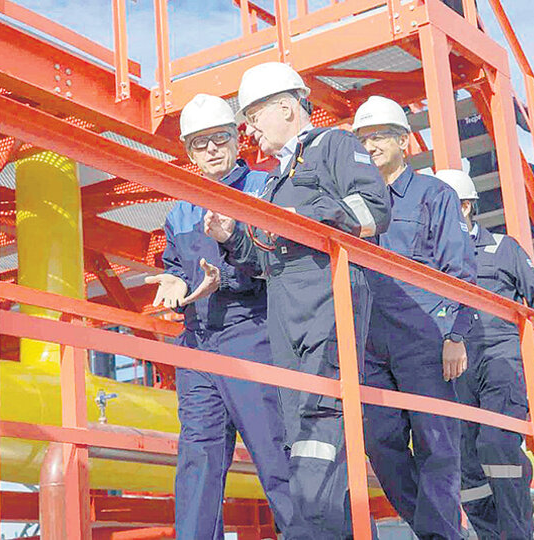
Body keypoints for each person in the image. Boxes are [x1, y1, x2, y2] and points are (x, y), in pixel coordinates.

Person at [204, 62, 391, 538]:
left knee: (322, 421)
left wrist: (297, 216)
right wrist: (231, 239)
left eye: (253, 117)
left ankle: (319, 531)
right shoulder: (273, 181)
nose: (249, 130)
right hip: (286, 310)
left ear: (287, 107)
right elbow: (263, 259)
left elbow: (372, 211)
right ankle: (315, 528)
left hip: (329, 299)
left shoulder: (335, 146)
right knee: (298, 429)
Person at [146, 94, 296, 539]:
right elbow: (175, 266)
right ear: (189, 152)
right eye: (200, 144)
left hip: (251, 330)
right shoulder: (180, 212)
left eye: (219, 139)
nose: (211, 150)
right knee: (198, 462)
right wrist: (173, 284)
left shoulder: (264, 189)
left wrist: (226, 270)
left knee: (275, 454)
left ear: (237, 140)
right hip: (196, 343)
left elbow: (279, 262)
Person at [440, 170, 534, 539]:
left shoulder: (502, 248)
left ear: (465, 207)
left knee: (497, 445)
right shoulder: (435, 256)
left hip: (499, 361)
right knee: (465, 464)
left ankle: (516, 533)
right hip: (453, 368)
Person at [349, 95, 474, 539]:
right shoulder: (355, 204)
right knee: (380, 443)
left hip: (424, 338)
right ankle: (432, 529)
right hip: (368, 340)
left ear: (404, 139)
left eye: (379, 135)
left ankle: (440, 535)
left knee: (436, 444)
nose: (371, 144)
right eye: (363, 138)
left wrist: (455, 335)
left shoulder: (434, 195)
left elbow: (459, 269)